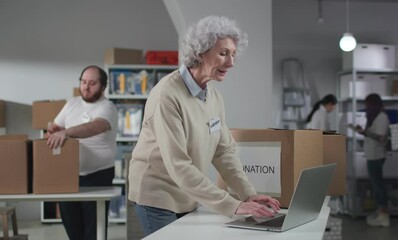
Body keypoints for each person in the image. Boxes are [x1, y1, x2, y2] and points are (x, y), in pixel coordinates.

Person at [127, 15, 280, 237]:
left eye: (234, 55)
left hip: (187, 196)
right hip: (157, 197)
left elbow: (224, 151)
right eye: (223, 53)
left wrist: (247, 195)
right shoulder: (167, 95)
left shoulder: (213, 97)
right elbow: (179, 165)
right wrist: (231, 205)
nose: (231, 63)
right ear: (200, 52)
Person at [47, 65, 118, 240]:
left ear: (103, 86)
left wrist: (67, 132)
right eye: (83, 82)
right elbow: (56, 127)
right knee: (72, 228)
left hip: (98, 176)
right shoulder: (72, 104)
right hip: (69, 176)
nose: (86, 87)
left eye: (92, 83)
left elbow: (95, 127)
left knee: (94, 231)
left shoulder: (107, 107)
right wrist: (53, 129)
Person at [352, 93, 390, 227]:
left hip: (376, 155)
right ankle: (381, 211)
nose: (366, 107)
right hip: (372, 155)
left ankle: (384, 214)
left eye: (368, 105)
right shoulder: (374, 117)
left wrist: (364, 132)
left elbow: (380, 137)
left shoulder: (382, 117)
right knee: (376, 184)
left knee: (378, 184)